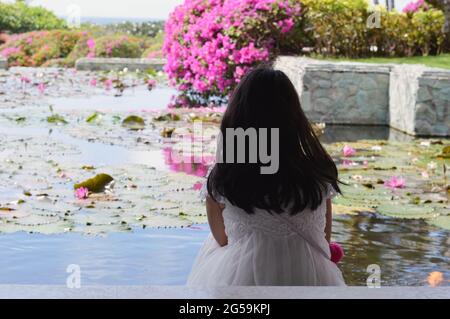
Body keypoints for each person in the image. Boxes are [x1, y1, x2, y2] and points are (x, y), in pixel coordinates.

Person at [187, 66, 346, 286]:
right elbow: (324, 239)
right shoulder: (318, 173)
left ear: (239, 116)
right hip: (309, 279)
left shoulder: (225, 177)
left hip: (240, 280)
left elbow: (222, 240)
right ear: (294, 116)